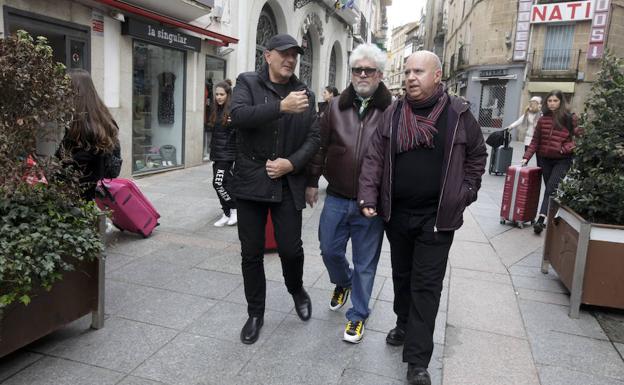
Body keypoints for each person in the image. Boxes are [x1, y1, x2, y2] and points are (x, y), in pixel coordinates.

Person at [358, 51, 487, 385]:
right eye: (407, 71)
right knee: (402, 276)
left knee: (427, 285)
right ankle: (403, 322)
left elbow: (477, 153)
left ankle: (417, 362)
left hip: (437, 217)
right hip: (397, 214)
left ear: (438, 75)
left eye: (418, 71)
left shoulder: (458, 115)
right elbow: (374, 157)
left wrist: (466, 192)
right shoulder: (393, 113)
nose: (411, 77)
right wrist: (369, 195)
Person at [230, 34, 320, 345]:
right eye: (283, 53)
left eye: (294, 54)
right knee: (251, 253)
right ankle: (255, 312)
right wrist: (280, 107)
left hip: (287, 181)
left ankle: (296, 289)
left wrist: (292, 165)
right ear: (267, 55)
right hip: (251, 180)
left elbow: (313, 137)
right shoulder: (247, 83)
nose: (290, 59)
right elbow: (238, 117)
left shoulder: (305, 92)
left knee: (291, 249)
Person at [306, 44, 392, 344]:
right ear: (351, 73)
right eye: (358, 70)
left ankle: (357, 315)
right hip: (338, 196)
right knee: (329, 250)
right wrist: (312, 180)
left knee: (366, 263)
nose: (363, 75)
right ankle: (343, 282)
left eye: (369, 70)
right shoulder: (335, 107)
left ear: (380, 74)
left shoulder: (391, 110)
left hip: (371, 203)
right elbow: (320, 145)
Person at [521, 90, 579, 235]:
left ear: (561, 102)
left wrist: (564, 149)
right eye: (550, 101)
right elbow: (535, 141)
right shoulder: (542, 119)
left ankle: (541, 220)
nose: (552, 103)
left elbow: (577, 139)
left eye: (555, 100)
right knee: (551, 190)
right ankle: (555, 215)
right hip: (544, 159)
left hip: (562, 160)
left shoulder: (569, 118)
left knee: (550, 189)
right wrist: (526, 157)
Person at [57, 68, 120, 201]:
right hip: (97, 200)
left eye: (65, 89)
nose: (62, 94)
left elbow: (64, 170)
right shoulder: (104, 118)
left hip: (77, 201)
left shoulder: (77, 128)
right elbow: (114, 166)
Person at [208, 79, 238, 227]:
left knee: (218, 183)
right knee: (221, 183)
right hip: (217, 153)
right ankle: (226, 212)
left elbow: (237, 133)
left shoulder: (232, 111)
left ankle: (234, 209)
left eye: (221, 94)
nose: (218, 97)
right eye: (217, 94)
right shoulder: (216, 110)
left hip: (226, 154)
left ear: (228, 95)